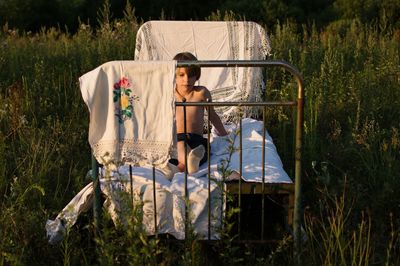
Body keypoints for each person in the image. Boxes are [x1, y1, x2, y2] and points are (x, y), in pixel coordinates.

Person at [171, 52, 228, 174]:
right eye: (181, 75)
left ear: (197, 76)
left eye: (191, 75)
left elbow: (212, 115)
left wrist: (225, 135)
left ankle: (187, 163)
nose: (186, 79)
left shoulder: (201, 93)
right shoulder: (170, 95)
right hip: (177, 137)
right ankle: (188, 164)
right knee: (180, 146)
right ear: (173, 76)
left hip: (197, 138)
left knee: (201, 150)